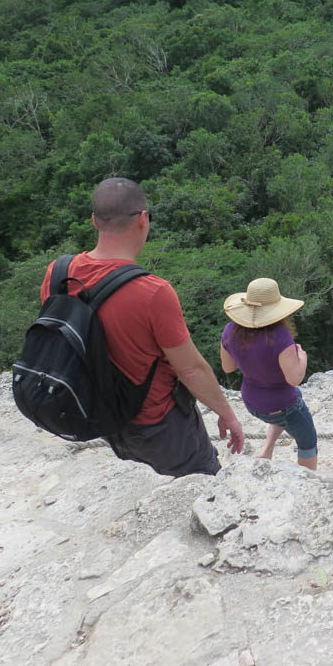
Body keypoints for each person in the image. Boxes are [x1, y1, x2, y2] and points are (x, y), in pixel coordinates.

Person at [38, 178, 244, 477]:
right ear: (143, 218)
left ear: (94, 220)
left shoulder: (58, 272)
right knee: (203, 481)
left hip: (100, 415)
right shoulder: (152, 292)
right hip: (157, 424)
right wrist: (228, 416)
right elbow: (191, 370)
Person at [221, 278, 317, 470]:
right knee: (308, 442)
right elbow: (294, 379)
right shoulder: (281, 338)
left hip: (252, 402)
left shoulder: (230, 330)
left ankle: (266, 450)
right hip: (282, 405)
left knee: (289, 406)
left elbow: (228, 368)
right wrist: (302, 357)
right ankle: (308, 482)